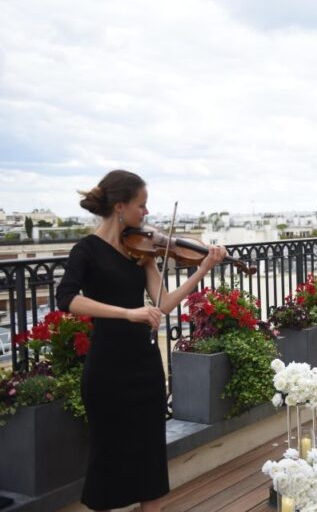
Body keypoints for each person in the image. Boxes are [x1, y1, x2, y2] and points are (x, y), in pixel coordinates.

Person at [56, 170, 227, 512]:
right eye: (141, 205)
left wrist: (203, 269)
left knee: (150, 460)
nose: (146, 213)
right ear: (119, 207)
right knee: (107, 457)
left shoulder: (142, 251)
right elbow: (67, 298)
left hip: (144, 367)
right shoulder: (86, 250)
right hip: (107, 369)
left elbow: (162, 302)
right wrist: (128, 313)